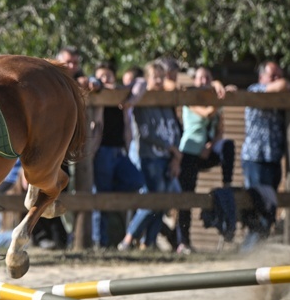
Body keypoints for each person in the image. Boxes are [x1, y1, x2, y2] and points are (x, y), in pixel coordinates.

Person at [117, 61, 182, 250]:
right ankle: (128, 239)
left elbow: (174, 128)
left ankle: (149, 241)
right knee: (152, 199)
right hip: (150, 157)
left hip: (168, 157)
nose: (160, 80)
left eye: (163, 76)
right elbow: (146, 134)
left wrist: (176, 156)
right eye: (156, 76)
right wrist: (171, 149)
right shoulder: (142, 100)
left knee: (164, 201)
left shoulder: (166, 100)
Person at [176, 66, 236, 254]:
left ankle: (227, 185)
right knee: (187, 195)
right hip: (190, 151)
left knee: (228, 145)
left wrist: (210, 146)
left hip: (207, 151)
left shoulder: (215, 98)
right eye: (200, 77)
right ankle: (183, 241)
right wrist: (222, 96)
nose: (203, 81)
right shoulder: (190, 97)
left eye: (207, 77)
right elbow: (208, 113)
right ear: (194, 81)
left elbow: (220, 129)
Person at [91, 61, 147, 247]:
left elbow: (141, 83)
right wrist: (99, 85)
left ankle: (112, 197)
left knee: (136, 180)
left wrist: (129, 100)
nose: (106, 79)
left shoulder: (121, 93)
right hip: (103, 151)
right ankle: (100, 241)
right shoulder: (95, 93)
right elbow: (92, 83)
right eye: (102, 76)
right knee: (101, 197)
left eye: (109, 75)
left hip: (119, 151)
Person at [240, 61, 290, 243]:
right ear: (261, 77)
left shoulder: (281, 99)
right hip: (255, 159)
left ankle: (256, 249)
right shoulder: (255, 90)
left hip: (273, 160)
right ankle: (250, 251)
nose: (277, 79)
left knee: (269, 209)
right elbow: (284, 85)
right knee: (261, 207)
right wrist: (285, 83)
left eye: (279, 74)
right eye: (273, 75)